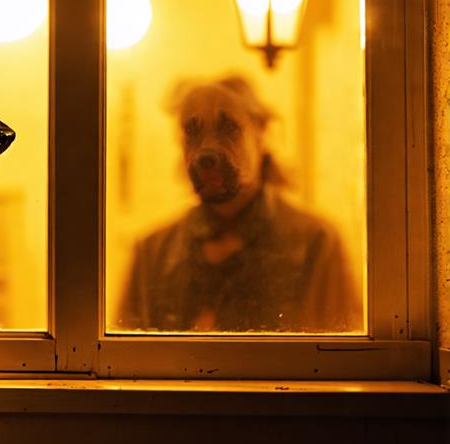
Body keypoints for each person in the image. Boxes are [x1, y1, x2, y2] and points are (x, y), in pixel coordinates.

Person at [118, 76, 362, 333]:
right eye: (193, 131)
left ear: (261, 135)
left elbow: (342, 361)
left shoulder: (317, 246)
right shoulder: (151, 255)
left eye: (229, 128)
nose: (207, 150)